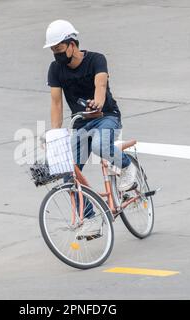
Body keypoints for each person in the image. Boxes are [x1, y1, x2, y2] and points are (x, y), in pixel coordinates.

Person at [44, 20, 138, 238]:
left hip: (106, 117)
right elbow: (56, 103)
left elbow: (100, 85)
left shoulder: (96, 59)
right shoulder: (55, 69)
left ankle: (126, 167)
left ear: (72, 44)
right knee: (68, 173)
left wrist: (97, 102)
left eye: (58, 49)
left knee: (99, 144)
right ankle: (91, 219)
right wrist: (55, 135)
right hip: (80, 124)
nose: (55, 54)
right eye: (53, 50)